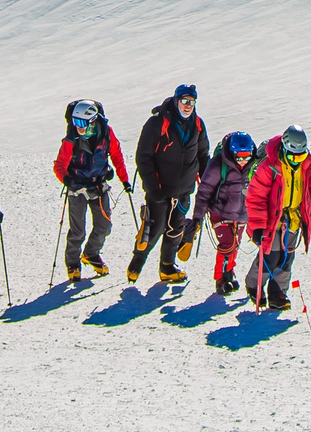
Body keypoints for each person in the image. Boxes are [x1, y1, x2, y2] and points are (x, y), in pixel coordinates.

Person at [129, 84, 210, 284]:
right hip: (159, 189)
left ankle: (167, 267)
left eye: (191, 102)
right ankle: (137, 263)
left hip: (184, 189)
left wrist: (207, 185)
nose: (188, 105)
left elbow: (203, 156)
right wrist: (152, 188)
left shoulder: (198, 125)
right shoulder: (158, 123)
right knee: (154, 229)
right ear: (176, 100)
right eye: (184, 101)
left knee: (175, 229)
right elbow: (143, 157)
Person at [242, 126, 311, 311]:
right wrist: (257, 226)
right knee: (271, 256)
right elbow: (256, 198)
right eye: (293, 156)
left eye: (300, 156)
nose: (296, 161)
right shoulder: (269, 167)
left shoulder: (309, 166)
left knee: (287, 257)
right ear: (285, 149)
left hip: (293, 217)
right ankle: (254, 285)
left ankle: (278, 293)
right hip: (270, 219)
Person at [53, 99, 131, 280]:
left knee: (104, 225)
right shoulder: (71, 138)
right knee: (77, 230)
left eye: (81, 123)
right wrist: (67, 180)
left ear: (93, 120)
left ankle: (91, 254)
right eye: (75, 122)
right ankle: (73, 264)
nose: (77, 127)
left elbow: (117, 156)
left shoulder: (106, 133)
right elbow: (59, 165)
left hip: (99, 185)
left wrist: (124, 180)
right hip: (77, 189)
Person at [194, 132, 261, 297]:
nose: (243, 161)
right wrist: (197, 217)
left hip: (242, 213)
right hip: (220, 211)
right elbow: (205, 190)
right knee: (227, 244)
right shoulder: (219, 164)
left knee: (235, 244)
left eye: (247, 156)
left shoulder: (255, 165)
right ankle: (221, 278)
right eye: (239, 157)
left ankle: (230, 272)